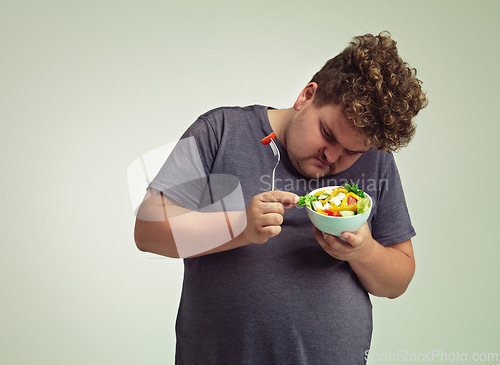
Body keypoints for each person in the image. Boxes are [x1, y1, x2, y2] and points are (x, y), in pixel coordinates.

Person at [134, 31, 427, 364]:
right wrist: (240, 226)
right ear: (307, 95)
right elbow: (147, 230)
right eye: (327, 135)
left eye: (351, 152)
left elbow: (397, 280)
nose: (333, 156)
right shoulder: (219, 130)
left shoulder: (377, 161)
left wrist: (363, 251)